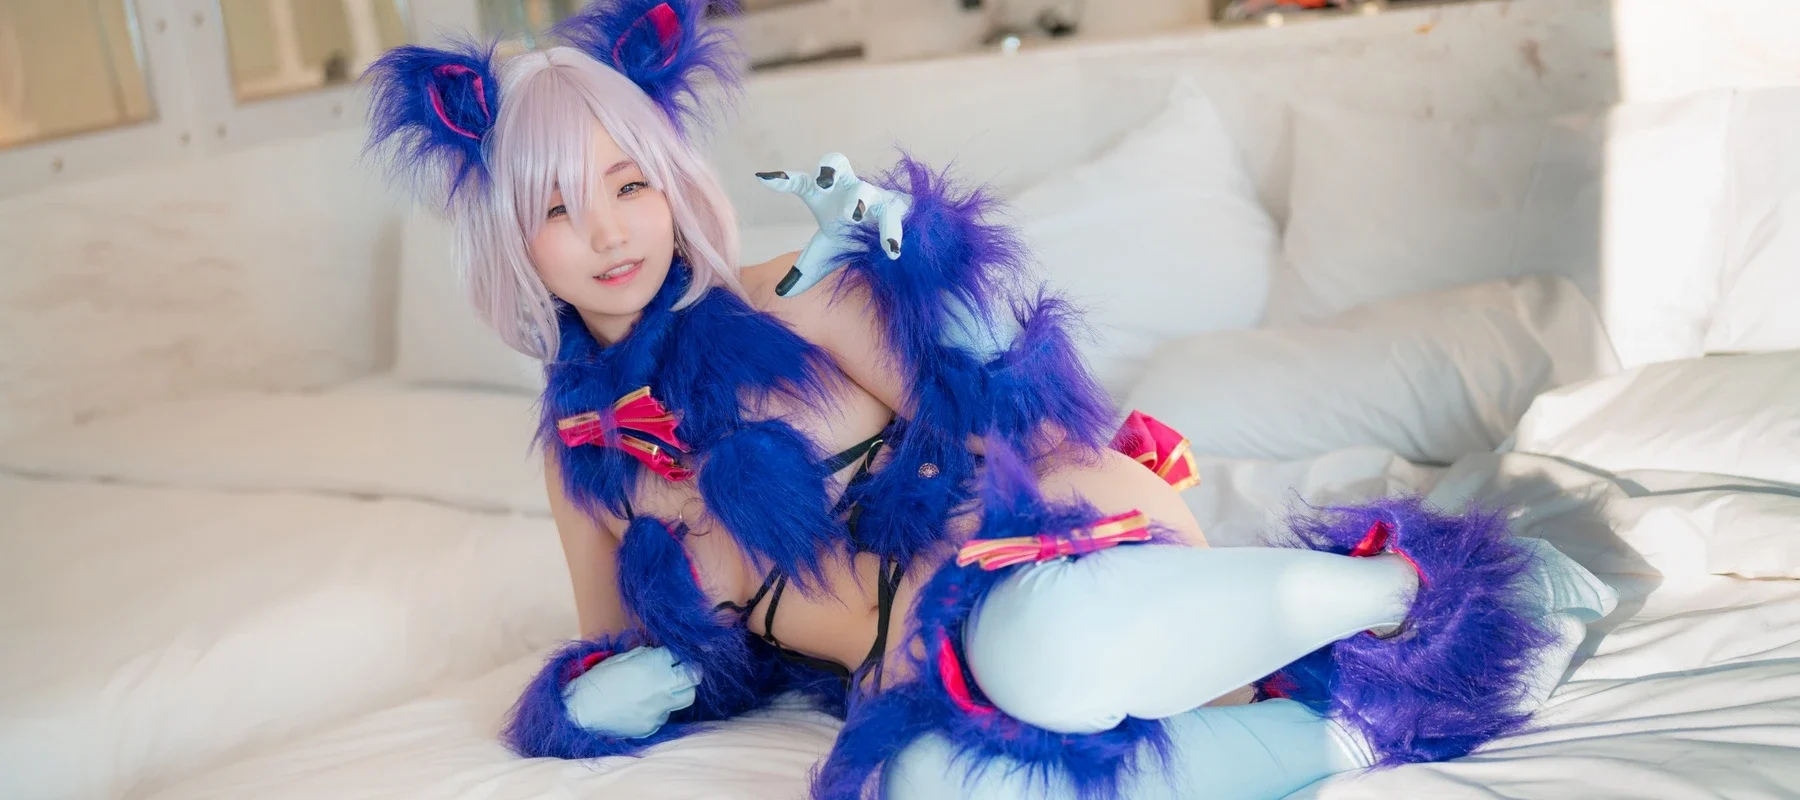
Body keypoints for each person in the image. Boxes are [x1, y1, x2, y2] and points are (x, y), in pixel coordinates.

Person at [363, 2, 1617, 798]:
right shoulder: (581, 461)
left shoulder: (786, 297)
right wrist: (587, 704)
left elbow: (1023, 419)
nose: (606, 232)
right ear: (510, 240)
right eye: (557, 206)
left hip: (1033, 549)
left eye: (628, 185)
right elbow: (625, 649)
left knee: (1036, 648)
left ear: (673, 182)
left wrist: (925, 280)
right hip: (901, 665)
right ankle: (1349, 731)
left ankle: (1402, 594)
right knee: (924, 784)